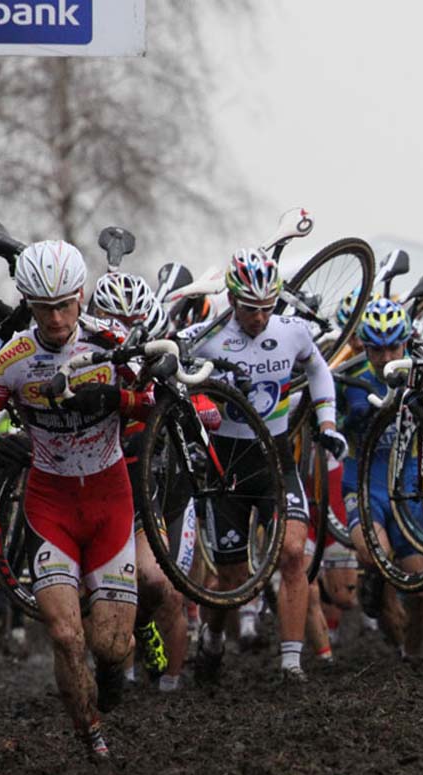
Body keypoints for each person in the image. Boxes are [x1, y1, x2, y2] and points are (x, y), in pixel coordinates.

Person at [0, 240, 153, 759]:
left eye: (66, 304)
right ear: (27, 303)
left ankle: (115, 670)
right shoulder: (15, 358)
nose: (58, 318)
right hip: (51, 504)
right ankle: (90, 734)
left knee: (111, 646)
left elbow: (154, 404)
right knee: (66, 636)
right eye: (44, 308)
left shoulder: (111, 340)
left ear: (81, 294)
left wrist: (116, 398)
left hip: (111, 499)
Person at [180, 249, 344, 683]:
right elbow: (174, 374)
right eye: (251, 309)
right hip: (226, 468)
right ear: (232, 299)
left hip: (274, 460)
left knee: (293, 555)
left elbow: (319, 370)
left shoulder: (292, 331)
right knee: (233, 579)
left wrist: (327, 422)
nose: (259, 317)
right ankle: (212, 640)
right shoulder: (206, 334)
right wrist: (200, 404)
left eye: (268, 307)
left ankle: (291, 663)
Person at [87, 271, 187, 690]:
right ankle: (113, 671)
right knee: (106, 592)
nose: (122, 331)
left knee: (156, 582)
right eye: (113, 319)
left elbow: (187, 401)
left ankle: (170, 682)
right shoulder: (82, 353)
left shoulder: (158, 353)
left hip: (147, 488)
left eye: (132, 321)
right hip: (92, 489)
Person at [338, 297, 423, 659]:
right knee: (375, 553)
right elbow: (320, 423)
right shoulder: (348, 374)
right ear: (364, 344)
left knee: (421, 590)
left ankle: (410, 658)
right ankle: (378, 588)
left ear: (406, 342)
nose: (386, 357)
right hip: (362, 483)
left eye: (394, 347)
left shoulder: (418, 371)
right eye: (376, 350)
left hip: (407, 486)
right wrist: (347, 422)